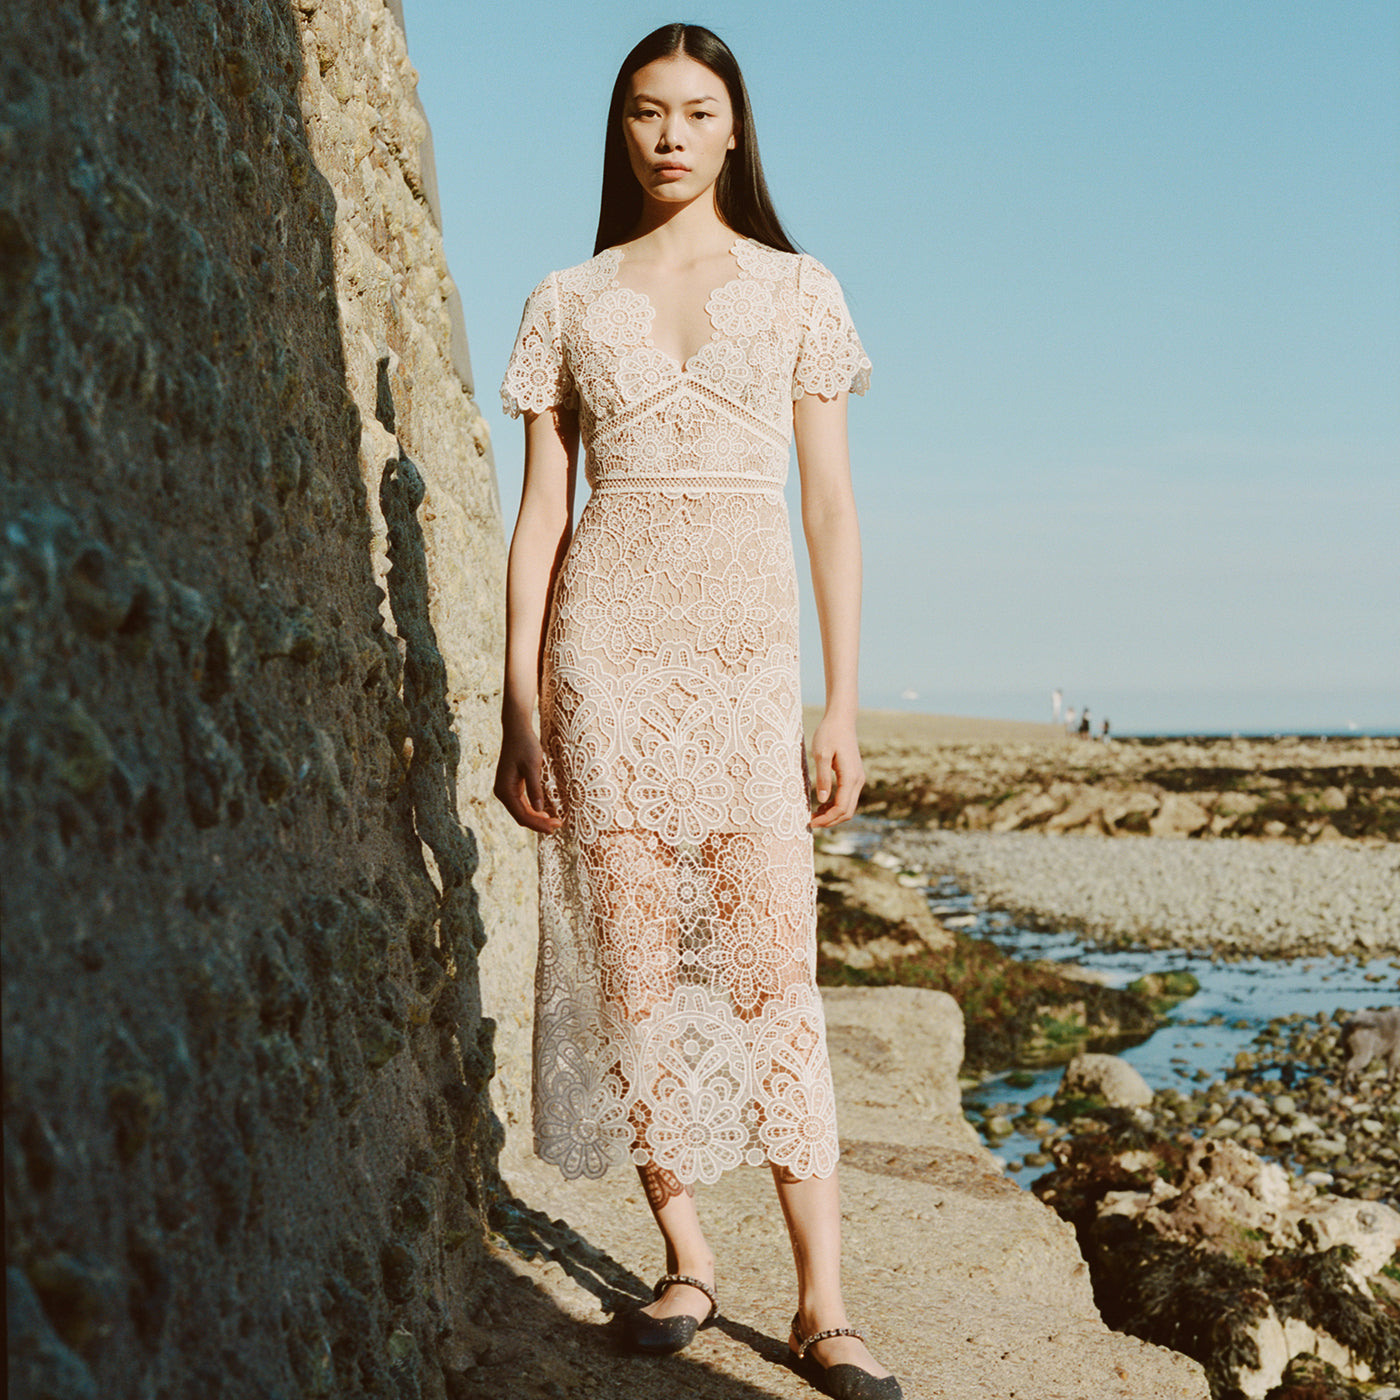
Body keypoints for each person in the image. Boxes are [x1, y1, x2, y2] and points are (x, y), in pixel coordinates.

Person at [493, 22, 900, 1400]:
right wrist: (518, 707)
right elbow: (543, 513)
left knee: (774, 957)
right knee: (635, 956)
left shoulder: (799, 290)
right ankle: (684, 1258)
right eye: (648, 112)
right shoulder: (565, 295)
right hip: (601, 654)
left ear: (736, 131)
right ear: (622, 131)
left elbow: (831, 508)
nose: (671, 134)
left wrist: (840, 698)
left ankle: (823, 1305)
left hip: (741, 663)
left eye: (698, 111)